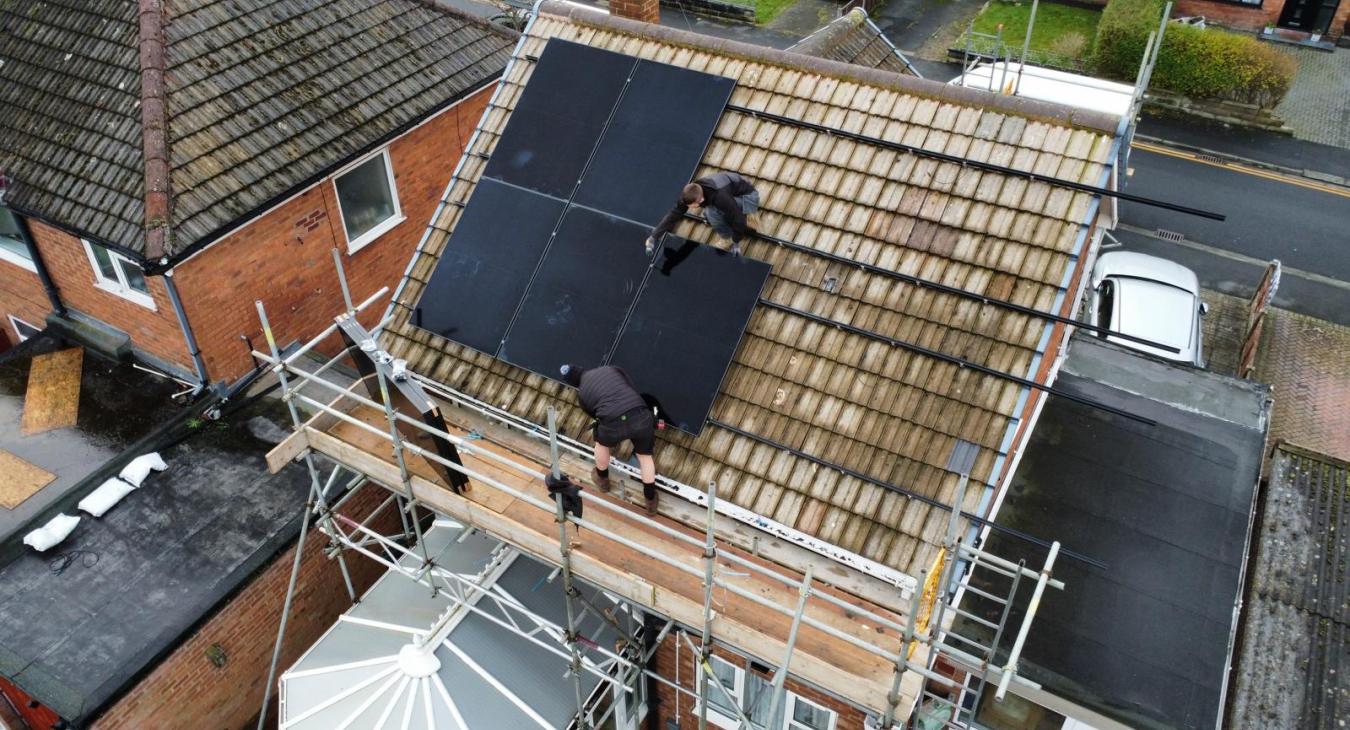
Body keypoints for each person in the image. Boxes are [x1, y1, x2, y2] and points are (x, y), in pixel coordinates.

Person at [560, 363, 659, 516]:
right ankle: (651, 500)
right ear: (580, 369)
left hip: (613, 422)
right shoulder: (610, 369)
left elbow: (594, 414)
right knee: (645, 458)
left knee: (601, 443)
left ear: (573, 383)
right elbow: (630, 386)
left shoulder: (582, 394)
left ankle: (602, 480)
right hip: (640, 413)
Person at [645, 171, 760, 257]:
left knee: (711, 212)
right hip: (730, 194)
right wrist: (653, 236)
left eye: (690, 206)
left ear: (700, 200)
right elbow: (674, 214)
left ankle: (745, 223)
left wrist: (736, 242)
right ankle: (728, 233)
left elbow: (737, 218)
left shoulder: (720, 196)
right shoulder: (690, 194)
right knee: (712, 212)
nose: (688, 208)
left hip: (747, 197)